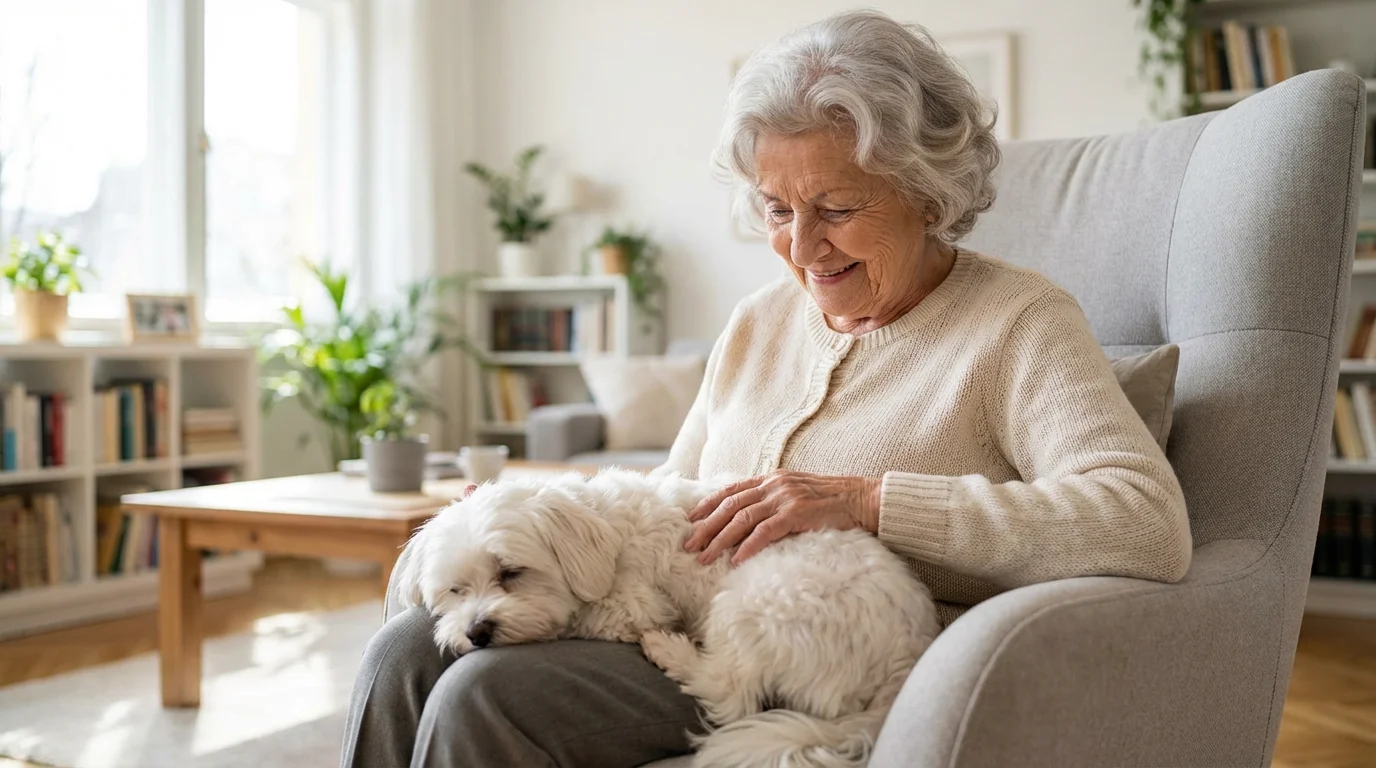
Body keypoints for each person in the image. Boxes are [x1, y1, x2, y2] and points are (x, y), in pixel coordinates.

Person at [341, 10, 1191, 768]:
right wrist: (517, 524)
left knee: (479, 693)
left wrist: (868, 502)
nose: (803, 247)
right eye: (778, 210)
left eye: (837, 207)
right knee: (403, 651)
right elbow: (664, 502)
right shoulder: (758, 321)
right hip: (689, 632)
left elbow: (1144, 521)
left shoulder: (1019, 324)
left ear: (928, 194)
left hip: (856, 661)